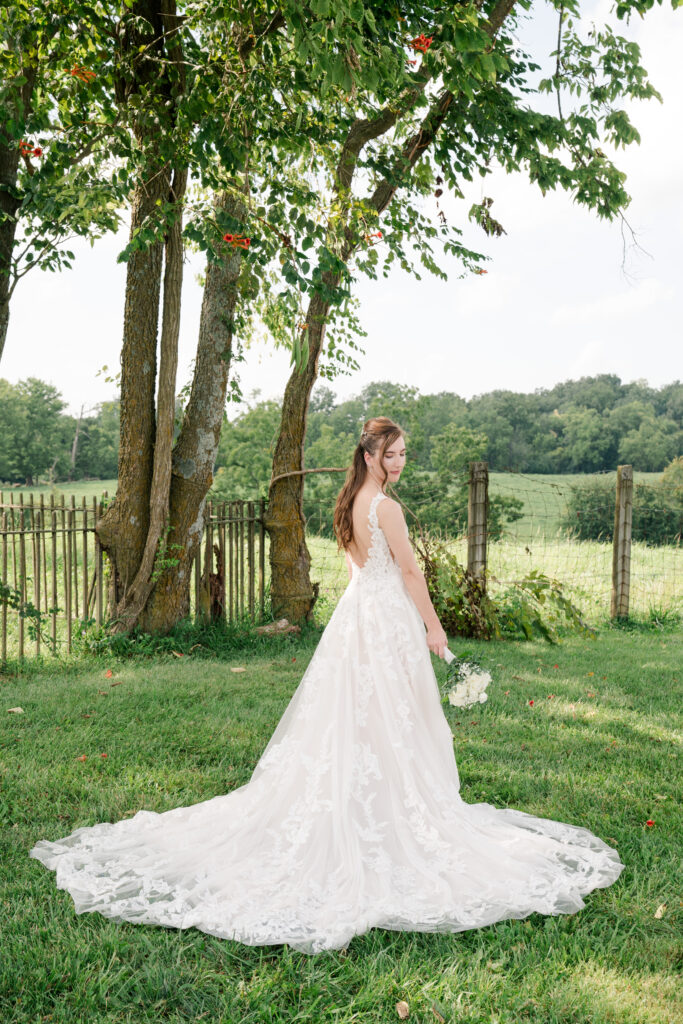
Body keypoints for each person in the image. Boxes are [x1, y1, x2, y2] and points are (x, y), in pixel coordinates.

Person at [29, 416, 624, 955]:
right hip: (385, 618)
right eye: (392, 455)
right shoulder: (385, 508)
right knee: (390, 716)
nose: (400, 462)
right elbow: (410, 572)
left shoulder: (348, 506)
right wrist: (434, 629)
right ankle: (389, 816)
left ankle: (373, 800)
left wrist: (382, 606)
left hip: (358, 617)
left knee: (366, 717)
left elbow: (356, 570)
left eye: (404, 454)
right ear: (370, 456)